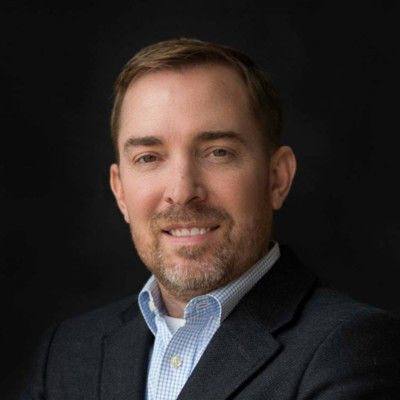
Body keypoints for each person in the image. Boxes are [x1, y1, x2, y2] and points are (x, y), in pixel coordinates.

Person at [21, 38, 400, 400]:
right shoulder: (68, 352)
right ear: (120, 191)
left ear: (277, 178)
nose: (182, 190)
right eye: (149, 157)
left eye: (218, 152)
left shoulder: (351, 347)